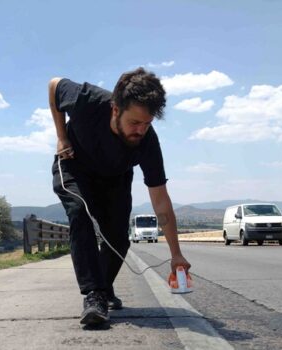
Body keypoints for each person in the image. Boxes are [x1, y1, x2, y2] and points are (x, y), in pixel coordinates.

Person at [48, 67, 191, 326]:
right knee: (80, 211)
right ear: (115, 109)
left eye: (147, 124)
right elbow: (54, 85)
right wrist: (61, 136)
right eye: (134, 122)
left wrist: (176, 254)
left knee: (118, 240)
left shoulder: (148, 142)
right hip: (75, 165)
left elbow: (160, 200)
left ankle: (104, 287)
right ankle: (94, 295)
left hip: (115, 178)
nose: (140, 130)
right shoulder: (88, 100)